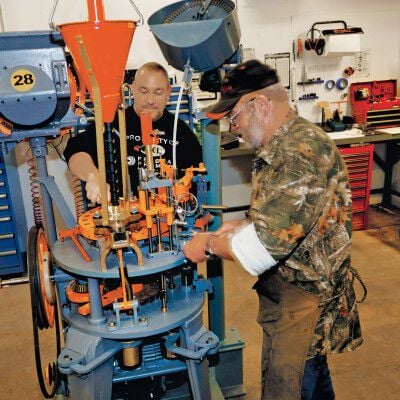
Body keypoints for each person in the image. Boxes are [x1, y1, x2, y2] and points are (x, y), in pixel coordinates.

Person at [183, 60, 363, 400]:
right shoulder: (288, 142)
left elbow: (262, 250)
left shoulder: (295, 155)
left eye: (233, 117)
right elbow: (292, 217)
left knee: (290, 386)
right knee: (313, 378)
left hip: (305, 303)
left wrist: (205, 244)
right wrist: (247, 223)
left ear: (261, 105)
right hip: (301, 291)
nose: (231, 128)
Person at [64, 62, 202, 203]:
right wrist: (93, 176)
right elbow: (75, 150)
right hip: (121, 215)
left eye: (158, 92)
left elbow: (197, 179)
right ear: (132, 89)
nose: (150, 100)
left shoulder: (181, 132)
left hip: (168, 217)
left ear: (168, 93)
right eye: (143, 91)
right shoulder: (113, 122)